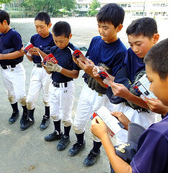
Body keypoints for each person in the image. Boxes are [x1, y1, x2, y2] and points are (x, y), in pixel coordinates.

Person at [91, 38, 168, 173]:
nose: (150, 87)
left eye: (150, 80)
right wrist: (130, 125)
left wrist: (104, 136)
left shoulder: (159, 132)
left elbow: (130, 171)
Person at [69, 3, 127, 167]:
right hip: (88, 90)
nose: (101, 31)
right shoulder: (95, 40)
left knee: (99, 127)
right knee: (78, 122)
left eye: (105, 27)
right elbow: (88, 61)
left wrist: (91, 71)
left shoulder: (121, 51)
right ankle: (80, 143)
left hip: (103, 97)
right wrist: (81, 62)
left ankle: (95, 150)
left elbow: (113, 85)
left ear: (119, 27)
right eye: (99, 26)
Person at [94, 17, 168, 144]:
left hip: (142, 115)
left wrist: (127, 94)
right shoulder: (130, 54)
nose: (135, 49)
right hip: (124, 108)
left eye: (138, 44)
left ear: (155, 38)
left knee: (137, 148)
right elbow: (120, 78)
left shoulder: (161, 63)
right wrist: (104, 77)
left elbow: (155, 106)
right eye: (131, 44)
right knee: (121, 145)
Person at [43, 21, 80, 151]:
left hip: (66, 88)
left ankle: (66, 136)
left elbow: (75, 74)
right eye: (55, 40)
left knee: (65, 115)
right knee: (54, 112)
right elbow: (49, 71)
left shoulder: (73, 52)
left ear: (70, 36)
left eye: (61, 41)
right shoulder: (53, 49)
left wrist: (59, 69)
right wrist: (47, 67)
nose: (58, 44)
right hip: (53, 86)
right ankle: (57, 132)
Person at [0, 10, 28, 127]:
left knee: (21, 95)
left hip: (15, 70)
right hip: (4, 70)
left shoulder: (14, 34)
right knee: (10, 94)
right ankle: (15, 111)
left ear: (5, 22)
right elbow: (1, 53)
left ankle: (26, 113)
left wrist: (2, 56)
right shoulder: (1, 36)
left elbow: (21, 52)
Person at [22, 12, 55, 130]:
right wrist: (27, 53)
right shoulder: (34, 38)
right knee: (30, 97)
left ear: (49, 25)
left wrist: (40, 52)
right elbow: (31, 59)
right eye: (36, 26)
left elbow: (53, 60)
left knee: (47, 96)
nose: (39, 29)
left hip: (48, 71)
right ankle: (30, 117)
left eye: (42, 26)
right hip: (36, 69)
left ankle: (47, 116)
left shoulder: (53, 39)